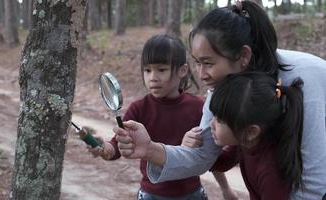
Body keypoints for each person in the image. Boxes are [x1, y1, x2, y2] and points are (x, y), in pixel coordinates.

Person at [114, 1, 326, 199]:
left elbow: (315, 183)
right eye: (197, 63)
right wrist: (151, 149)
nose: (201, 74)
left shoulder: (306, 76)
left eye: (208, 63)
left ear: (243, 56)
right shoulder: (222, 89)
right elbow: (202, 156)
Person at [87, 34, 235, 199]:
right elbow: (116, 147)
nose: (153, 78)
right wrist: (102, 148)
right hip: (151, 194)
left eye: (161, 70)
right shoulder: (139, 108)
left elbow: (209, 155)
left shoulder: (199, 107)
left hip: (191, 194)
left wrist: (225, 189)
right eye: (147, 70)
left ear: (183, 70)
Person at [209, 72, 303, 199]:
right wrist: (198, 148)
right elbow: (222, 162)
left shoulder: (271, 172)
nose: (211, 124)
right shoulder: (247, 141)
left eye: (219, 120)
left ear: (251, 132)